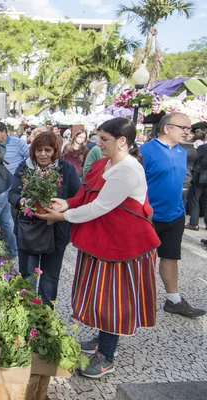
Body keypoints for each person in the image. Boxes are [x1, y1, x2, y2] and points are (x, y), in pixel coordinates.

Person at [38, 117, 161, 378]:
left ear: (122, 141)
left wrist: (64, 216)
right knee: (100, 297)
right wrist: (67, 203)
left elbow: (100, 206)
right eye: (99, 138)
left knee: (114, 301)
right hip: (104, 243)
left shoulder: (128, 170)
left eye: (104, 139)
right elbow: (86, 196)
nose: (99, 144)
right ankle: (100, 342)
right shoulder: (104, 163)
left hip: (123, 248)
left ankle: (106, 355)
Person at [140, 112, 205, 318]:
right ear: (167, 128)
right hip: (149, 217)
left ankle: (173, 299)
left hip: (175, 215)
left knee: (170, 257)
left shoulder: (181, 152)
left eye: (189, 129)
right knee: (142, 260)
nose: (188, 132)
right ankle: (138, 299)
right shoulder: (145, 151)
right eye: (183, 128)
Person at [8, 131, 81, 307]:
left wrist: (63, 207)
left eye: (47, 150)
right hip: (29, 231)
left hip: (56, 233)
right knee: (28, 276)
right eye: (39, 150)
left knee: (50, 278)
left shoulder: (66, 169)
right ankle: (27, 314)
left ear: (55, 151)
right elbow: (12, 194)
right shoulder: (25, 167)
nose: (42, 154)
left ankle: (45, 316)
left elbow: (78, 197)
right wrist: (25, 201)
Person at [186, 140, 207, 230]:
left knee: (195, 199)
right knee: (206, 201)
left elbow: (194, 157)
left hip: (200, 176)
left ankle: (194, 223)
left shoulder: (203, 147)